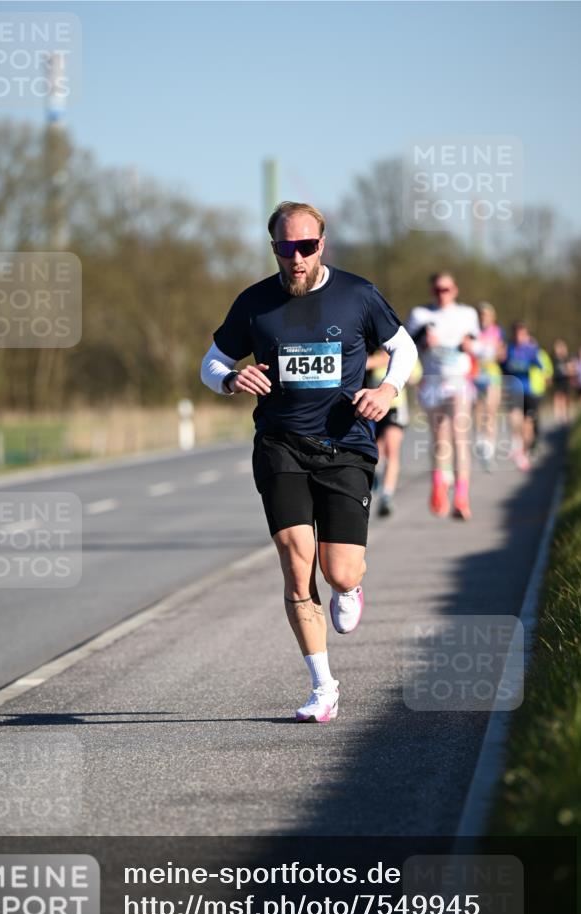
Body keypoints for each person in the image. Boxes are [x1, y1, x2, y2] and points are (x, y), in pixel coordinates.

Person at [200, 201, 417, 723]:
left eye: (306, 247)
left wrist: (387, 389)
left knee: (337, 570)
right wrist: (230, 379)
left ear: (323, 244)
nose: (296, 258)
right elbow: (211, 363)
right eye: (284, 248)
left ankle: (351, 586)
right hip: (281, 443)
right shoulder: (254, 303)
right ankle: (323, 686)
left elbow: (403, 347)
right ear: (273, 247)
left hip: (345, 444)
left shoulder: (358, 295)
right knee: (296, 562)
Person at [406, 272, 479, 520]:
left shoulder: (467, 315)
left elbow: (481, 346)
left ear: (455, 290)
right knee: (440, 439)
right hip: (433, 384)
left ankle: (461, 496)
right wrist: (424, 343)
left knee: (460, 437)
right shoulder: (420, 315)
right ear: (432, 292)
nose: (442, 294)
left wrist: (471, 347)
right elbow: (405, 347)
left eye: (446, 289)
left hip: (459, 382)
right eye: (438, 290)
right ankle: (439, 481)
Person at [366, 349, 421, 515]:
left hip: (394, 406)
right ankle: (374, 475)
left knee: (392, 448)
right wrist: (377, 361)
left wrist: (394, 364)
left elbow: (414, 376)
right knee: (376, 450)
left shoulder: (402, 349)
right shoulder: (371, 349)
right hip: (370, 406)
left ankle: (386, 496)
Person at [498, 322, 545, 470]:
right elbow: (502, 366)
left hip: (529, 391)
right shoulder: (509, 349)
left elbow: (541, 367)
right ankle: (518, 448)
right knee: (514, 418)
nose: (519, 337)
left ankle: (526, 449)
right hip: (514, 390)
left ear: (526, 335)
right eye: (516, 334)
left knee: (527, 426)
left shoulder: (531, 350)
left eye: (522, 334)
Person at [473, 302, 505, 471]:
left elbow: (502, 354)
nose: (483, 317)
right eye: (481, 314)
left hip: (492, 374)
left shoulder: (498, 331)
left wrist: (497, 353)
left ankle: (489, 450)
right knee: (478, 410)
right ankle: (480, 439)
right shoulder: (473, 331)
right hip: (476, 373)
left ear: (492, 317)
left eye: (486, 314)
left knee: (491, 411)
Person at [551, 339, 573, 425]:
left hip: (565, 381)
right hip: (557, 381)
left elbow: (572, 370)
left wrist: (568, 371)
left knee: (564, 398)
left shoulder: (567, 359)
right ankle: (558, 415)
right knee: (557, 398)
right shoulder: (554, 360)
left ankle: (564, 415)